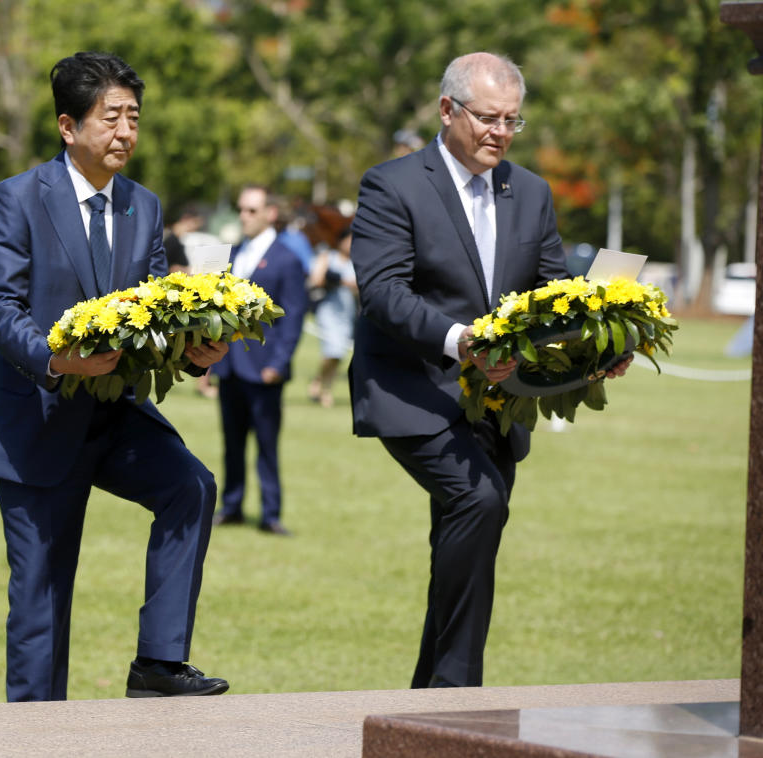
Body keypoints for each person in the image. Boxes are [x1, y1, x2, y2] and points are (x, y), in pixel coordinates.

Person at [348, 52, 631, 688]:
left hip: (500, 401)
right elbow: (384, 293)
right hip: (412, 389)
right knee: (477, 501)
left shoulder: (531, 192)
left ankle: (430, 701)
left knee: (474, 526)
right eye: (487, 118)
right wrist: (460, 341)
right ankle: (455, 697)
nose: (500, 132)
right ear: (447, 110)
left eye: (512, 121)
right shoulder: (391, 185)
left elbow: (554, 289)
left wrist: (599, 348)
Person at [0, 51, 230, 701]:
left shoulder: (143, 206)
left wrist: (194, 348)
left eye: (133, 118)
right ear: (68, 126)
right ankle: (34, 737)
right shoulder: (16, 198)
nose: (125, 132)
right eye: (110, 118)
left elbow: (148, 310)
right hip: (36, 420)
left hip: (115, 416)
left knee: (191, 487)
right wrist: (57, 361)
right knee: (40, 602)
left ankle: (159, 664)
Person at [211, 185, 307, 536]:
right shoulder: (231, 255)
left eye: (251, 210)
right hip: (230, 367)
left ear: (270, 213)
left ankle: (270, 513)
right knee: (231, 445)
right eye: (241, 209)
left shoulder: (287, 259)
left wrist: (278, 364)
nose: (243, 216)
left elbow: (293, 317)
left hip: (264, 370)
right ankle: (232, 506)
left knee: (267, 446)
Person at [307, 227, 357, 408]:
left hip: (347, 312)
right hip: (328, 310)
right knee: (332, 349)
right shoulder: (328, 257)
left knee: (338, 354)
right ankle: (325, 391)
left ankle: (319, 382)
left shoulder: (356, 263)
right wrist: (337, 280)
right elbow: (316, 280)